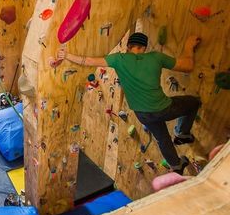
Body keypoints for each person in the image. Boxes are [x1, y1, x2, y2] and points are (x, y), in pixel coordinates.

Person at [57, 32, 201, 175]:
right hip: (164, 108)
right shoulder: (156, 57)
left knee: (162, 138)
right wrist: (189, 46)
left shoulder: (118, 59)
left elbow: (88, 61)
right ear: (144, 47)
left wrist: (66, 55)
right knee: (193, 103)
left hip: (143, 114)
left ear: (128, 46)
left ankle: (176, 165)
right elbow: (187, 66)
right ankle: (182, 134)